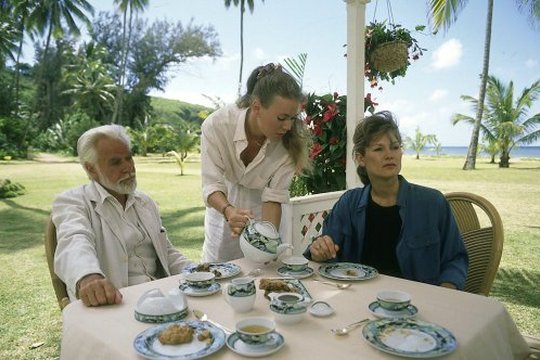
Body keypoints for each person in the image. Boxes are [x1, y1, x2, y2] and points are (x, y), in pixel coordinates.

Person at [304, 111, 468, 289]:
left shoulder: (432, 203)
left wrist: (444, 294)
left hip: (418, 304)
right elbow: (326, 251)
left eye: (395, 147)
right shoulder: (349, 204)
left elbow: (455, 259)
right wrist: (318, 251)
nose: (389, 155)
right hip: (359, 298)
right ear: (361, 158)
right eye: (378, 149)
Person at [52, 125, 193, 307]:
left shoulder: (145, 202)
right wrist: (88, 276)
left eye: (128, 158)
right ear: (91, 169)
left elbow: (166, 252)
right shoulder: (74, 201)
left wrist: (196, 270)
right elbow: (74, 241)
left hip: (162, 298)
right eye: (115, 162)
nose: (128, 168)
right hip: (115, 302)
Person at [201, 63, 311, 262]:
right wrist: (228, 211)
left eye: (293, 118)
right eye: (281, 118)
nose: (288, 126)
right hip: (224, 205)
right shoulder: (217, 125)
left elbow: (273, 198)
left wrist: (266, 243)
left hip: (266, 210)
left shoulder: (290, 143)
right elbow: (211, 183)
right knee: (220, 269)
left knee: (265, 267)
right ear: (256, 107)